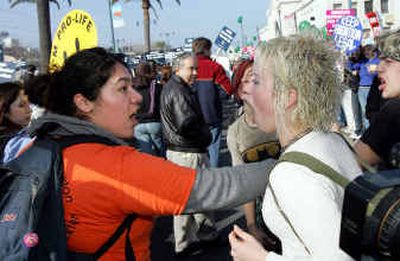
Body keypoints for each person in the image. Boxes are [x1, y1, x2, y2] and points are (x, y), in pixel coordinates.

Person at [22, 47, 275, 261]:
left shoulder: (40, 145)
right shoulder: (113, 166)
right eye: (123, 89)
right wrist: (286, 164)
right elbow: (214, 187)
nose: (137, 99)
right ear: (83, 102)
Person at [229, 35, 362, 260]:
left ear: (287, 97)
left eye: (257, 82)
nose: (248, 92)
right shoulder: (331, 139)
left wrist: (261, 258)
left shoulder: (292, 174)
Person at [160, 53, 217, 255]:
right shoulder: (177, 91)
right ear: (178, 69)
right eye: (191, 69)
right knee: (194, 196)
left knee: (191, 197)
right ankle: (190, 241)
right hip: (188, 152)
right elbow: (186, 124)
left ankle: (194, 238)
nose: (195, 73)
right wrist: (206, 136)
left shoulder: (177, 88)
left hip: (185, 151)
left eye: (196, 69)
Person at [227, 59, 281, 249]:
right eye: (251, 77)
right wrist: (251, 225)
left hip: (292, 203)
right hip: (262, 212)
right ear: (239, 89)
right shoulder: (236, 132)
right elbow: (244, 182)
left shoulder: (283, 118)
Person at [354, 30, 400, 169]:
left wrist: (335, 136)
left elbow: (351, 165)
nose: (379, 68)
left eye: (388, 61)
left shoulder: (394, 112)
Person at [192, 37, 232, 167]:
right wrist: (214, 97)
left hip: (193, 117)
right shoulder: (215, 67)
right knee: (214, 149)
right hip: (212, 115)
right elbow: (228, 90)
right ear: (207, 50)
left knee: (197, 152)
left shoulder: (187, 67)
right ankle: (214, 178)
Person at [133, 62, 164, 156]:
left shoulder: (132, 87)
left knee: (147, 154)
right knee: (160, 151)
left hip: (138, 123)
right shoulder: (156, 86)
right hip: (155, 122)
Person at [0, 82, 31, 163]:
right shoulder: (11, 142)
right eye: (21, 105)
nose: (29, 109)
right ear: (5, 111)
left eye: (29, 103)